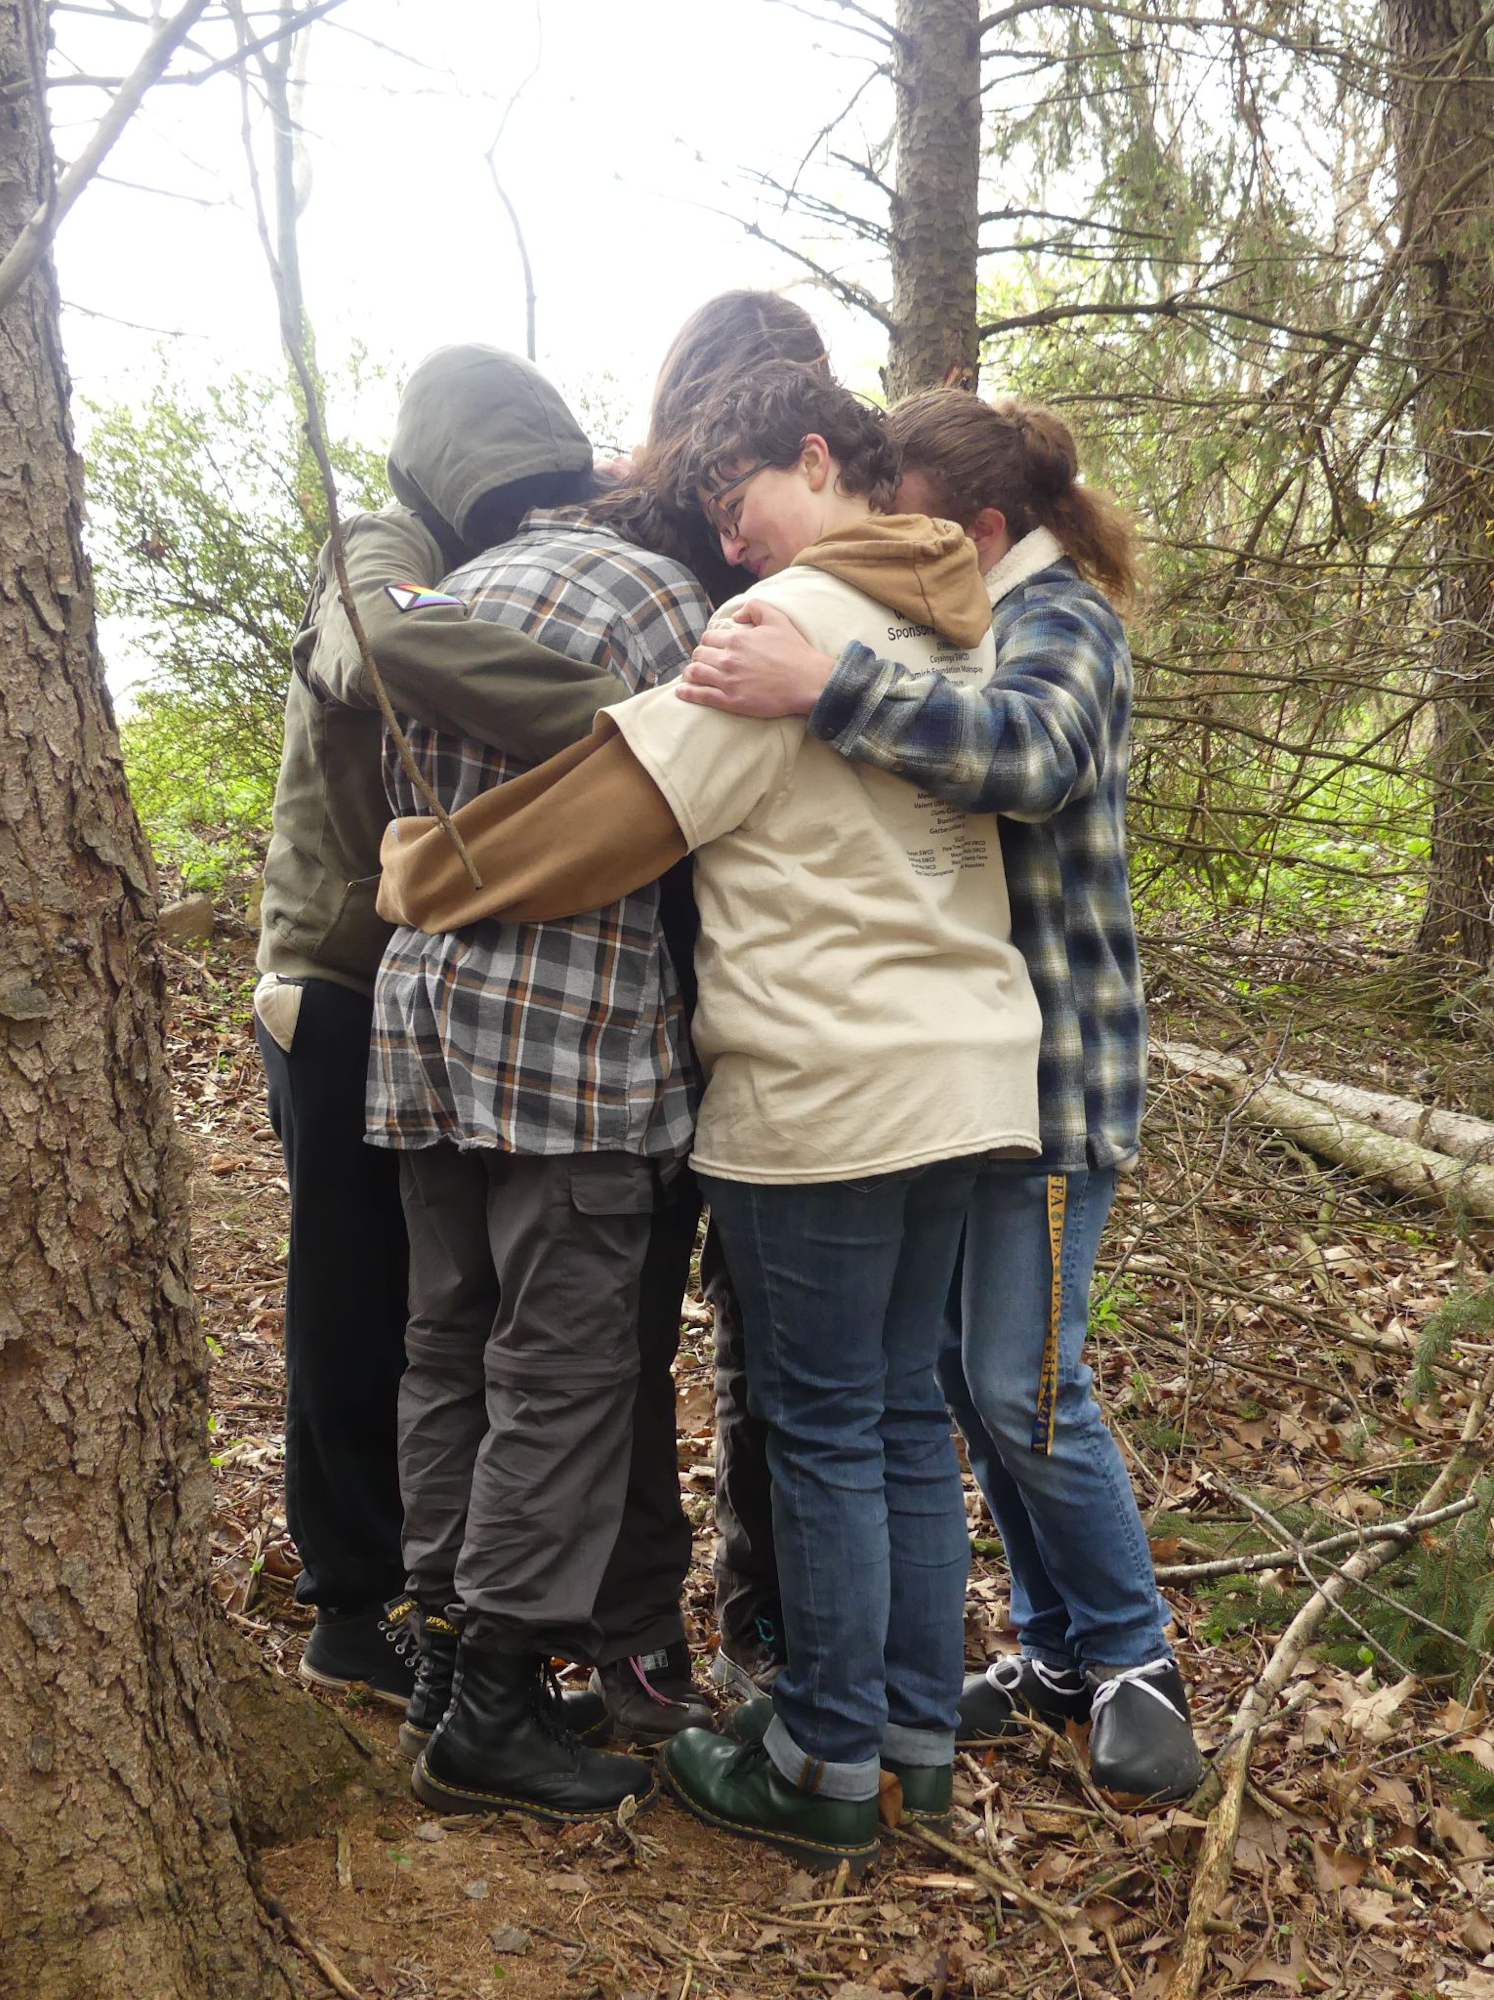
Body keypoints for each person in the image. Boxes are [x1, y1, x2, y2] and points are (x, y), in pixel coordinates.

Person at [375, 363, 1046, 1873]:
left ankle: (820, 1760)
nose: (727, 550)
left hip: (828, 1082)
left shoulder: (786, 629)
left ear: (819, 459)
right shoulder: (961, 623)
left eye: (737, 508)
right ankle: (909, 1749)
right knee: (896, 1423)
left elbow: (613, 807)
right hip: (971, 1067)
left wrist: (425, 870)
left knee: (823, 1428)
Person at [675, 389, 1204, 1805]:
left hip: (1051, 1080)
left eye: (904, 514)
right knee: (964, 1391)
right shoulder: (971, 614)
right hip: (967, 1074)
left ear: (980, 526)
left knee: (1026, 1391)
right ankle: (1052, 1652)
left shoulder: (1059, 617)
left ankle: (1137, 1661)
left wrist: (824, 688)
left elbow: (1027, 759)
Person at [255, 343, 617, 1705]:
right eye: (513, 494)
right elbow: (391, 644)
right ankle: (350, 1604)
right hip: (337, 979)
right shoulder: (381, 545)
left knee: (428, 1303)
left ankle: (431, 1591)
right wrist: (627, 721)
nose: (529, 522)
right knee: (352, 1301)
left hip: (414, 984)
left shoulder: (465, 548)